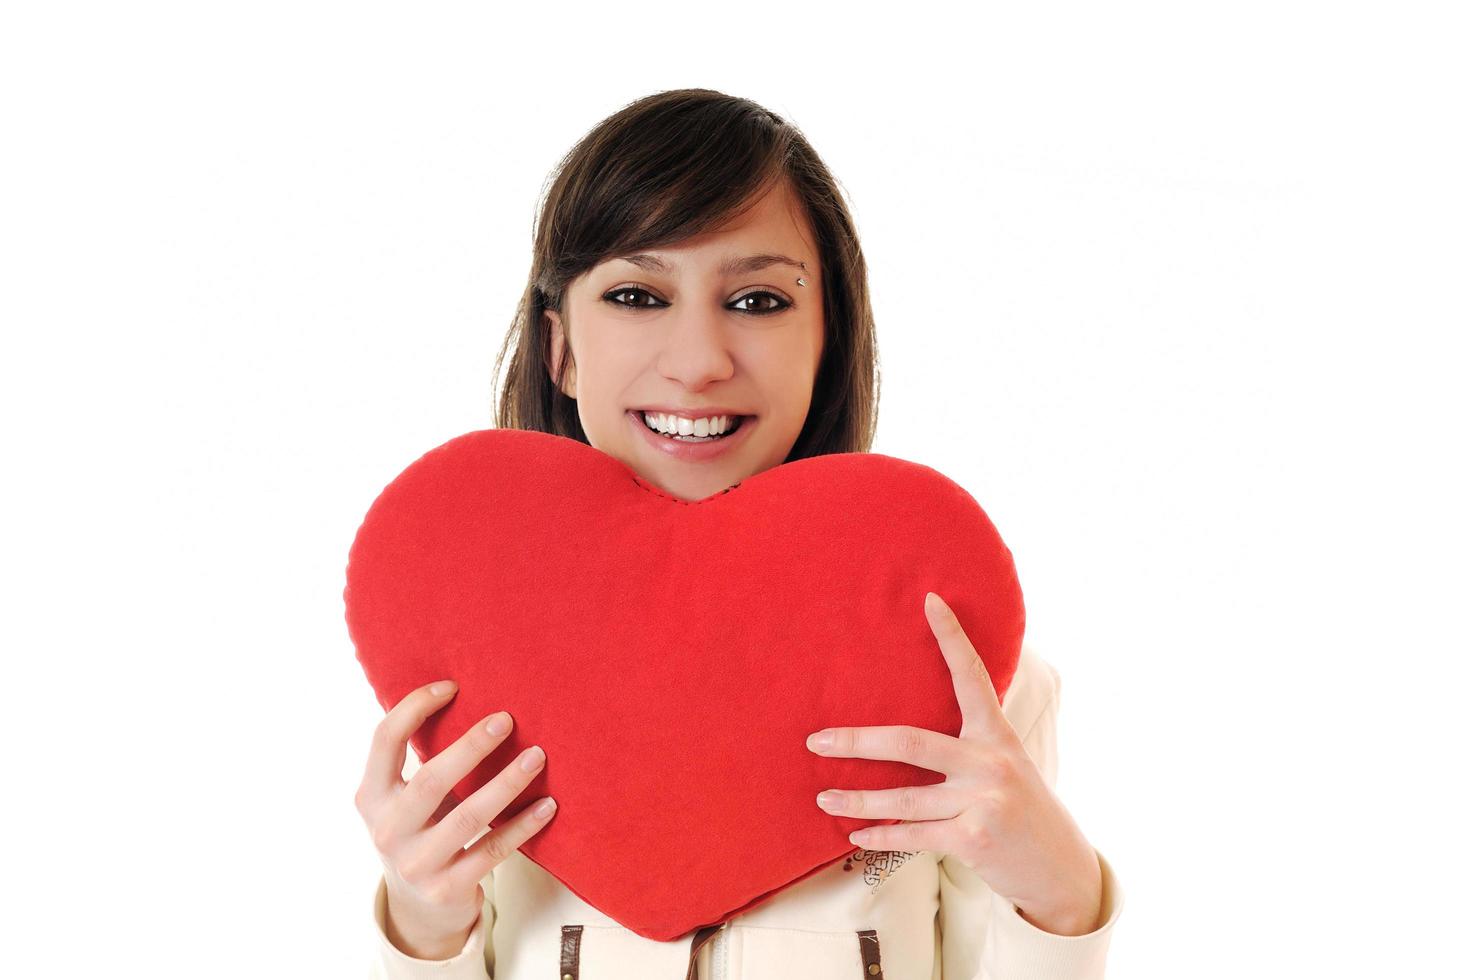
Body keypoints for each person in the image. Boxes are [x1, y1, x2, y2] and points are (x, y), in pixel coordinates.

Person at [357, 88, 1124, 979]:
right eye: (638, 294)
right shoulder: (467, 661)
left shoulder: (964, 678)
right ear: (560, 348)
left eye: (758, 301)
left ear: (826, 342)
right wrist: (421, 922)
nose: (697, 362)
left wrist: (1062, 895)